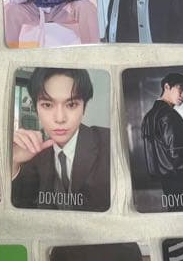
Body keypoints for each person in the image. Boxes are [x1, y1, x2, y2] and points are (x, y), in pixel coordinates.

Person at [11, 68, 110, 211]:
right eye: (47, 105)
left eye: (71, 105)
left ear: (84, 108)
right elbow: (22, 207)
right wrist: (14, 163)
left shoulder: (110, 143)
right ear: (36, 109)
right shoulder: (31, 151)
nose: (60, 118)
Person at [141, 72, 183, 210]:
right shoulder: (168, 115)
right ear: (167, 87)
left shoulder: (149, 116)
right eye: (181, 89)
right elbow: (177, 152)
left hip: (168, 181)